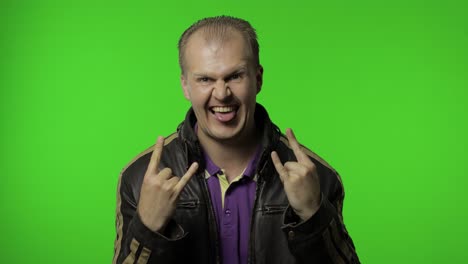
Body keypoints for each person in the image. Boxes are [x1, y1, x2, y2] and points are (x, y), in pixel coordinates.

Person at [113, 16, 360, 264]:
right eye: (205, 79)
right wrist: (148, 228)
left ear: (258, 79)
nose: (221, 94)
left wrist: (313, 215)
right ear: (185, 86)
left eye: (235, 76)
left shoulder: (317, 177)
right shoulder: (140, 178)